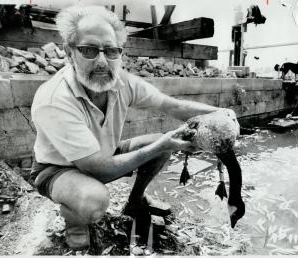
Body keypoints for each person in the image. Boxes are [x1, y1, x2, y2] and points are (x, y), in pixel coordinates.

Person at [31, 5, 237, 251]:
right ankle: (74, 218)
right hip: (57, 170)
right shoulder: (55, 99)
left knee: (159, 145)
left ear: (119, 52)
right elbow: (96, 169)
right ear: (69, 52)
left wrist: (220, 114)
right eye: (89, 50)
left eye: (110, 51)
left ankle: (135, 201)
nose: (101, 61)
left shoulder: (123, 84)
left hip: (103, 153)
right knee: (94, 200)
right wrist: (160, 146)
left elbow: (174, 106)